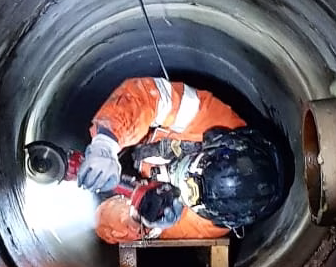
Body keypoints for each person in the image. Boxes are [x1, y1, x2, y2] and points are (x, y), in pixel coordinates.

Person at [76, 77, 291, 244]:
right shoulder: (213, 120)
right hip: (133, 138)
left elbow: (105, 225)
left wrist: (138, 219)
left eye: (192, 194)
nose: (181, 179)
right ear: (212, 145)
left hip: (130, 183)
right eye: (192, 170)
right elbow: (151, 97)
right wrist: (107, 141)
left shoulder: (208, 225)